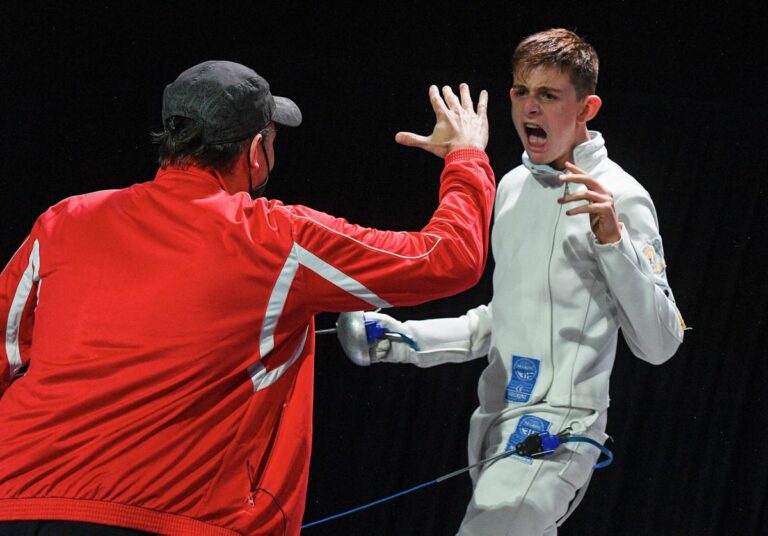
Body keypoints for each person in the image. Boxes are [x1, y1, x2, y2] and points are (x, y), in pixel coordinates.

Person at [0, 61, 495, 535]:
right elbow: (448, 258)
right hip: (180, 518)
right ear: (257, 151)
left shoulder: (64, 220)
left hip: (16, 503)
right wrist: (466, 156)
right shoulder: (276, 237)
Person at [367, 28, 685, 535]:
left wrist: (613, 242)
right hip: (496, 423)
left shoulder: (621, 196)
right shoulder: (512, 188)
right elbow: (503, 320)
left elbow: (661, 343)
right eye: (521, 91)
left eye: (548, 95)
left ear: (587, 108)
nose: (529, 109)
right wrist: (400, 339)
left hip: (562, 428)